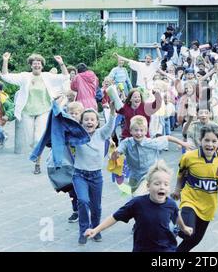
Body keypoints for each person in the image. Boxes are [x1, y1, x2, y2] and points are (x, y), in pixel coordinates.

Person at [84, 161, 193, 252]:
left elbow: (176, 215)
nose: (162, 187)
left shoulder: (171, 204)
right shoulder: (137, 203)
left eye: (166, 184)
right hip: (142, 249)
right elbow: (115, 217)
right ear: (148, 186)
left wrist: (184, 228)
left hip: (166, 248)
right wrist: (96, 230)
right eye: (157, 183)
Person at [1, 53, 69, 174]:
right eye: (34, 63)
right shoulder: (24, 76)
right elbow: (5, 76)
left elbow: (65, 76)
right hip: (27, 112)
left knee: (38, 139)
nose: (37, 65)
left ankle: (38, 163)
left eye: (39, 63)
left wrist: (61, 63)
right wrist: (5, 60)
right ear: (31, 65)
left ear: (42, 66)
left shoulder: (47, 76)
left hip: (43, 111)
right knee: (31, 142)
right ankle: (37, 153)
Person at [172, 123, 218, 252]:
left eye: (214, 141)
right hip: (190, 200)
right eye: (206, 140)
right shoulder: (189, 157)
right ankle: (174, 228)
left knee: (195, 239)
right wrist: (177, 190)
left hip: (208, 206)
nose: (210, 144)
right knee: (187, 231)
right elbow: (181, 175)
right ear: (200, 141)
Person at [111, 115, 191, 195]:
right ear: (131, 131)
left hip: (149, 175)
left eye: (141, 130)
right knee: (135, 197)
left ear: (146, 132)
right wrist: (116, 153)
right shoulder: (126, 143)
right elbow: (118, 150)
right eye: (136, 130)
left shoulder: (151, 142)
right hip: (134, 176)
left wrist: (183, 143)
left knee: (138, 195)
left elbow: (167, 137)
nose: (139, 133)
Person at [74, 103, 116, 245]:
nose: (89, 122)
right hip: (79, 174)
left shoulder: (101, 134)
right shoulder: (77, 134)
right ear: (81, 122)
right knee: (83, 201)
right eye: (86, 119)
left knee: (96, 206)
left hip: (96, 176)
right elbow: (64, 128)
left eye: (92, 119)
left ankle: (96, 229)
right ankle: (83, 231)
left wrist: (112, 111)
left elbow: (110, 125)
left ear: (97, 123)